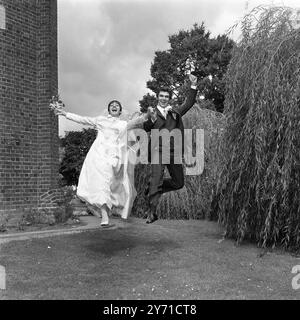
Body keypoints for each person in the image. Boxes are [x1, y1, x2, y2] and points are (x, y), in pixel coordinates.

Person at [50, 99, 150, 227]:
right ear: (108, 109)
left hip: (115, 158)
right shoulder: (100, 120)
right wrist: (65, 114)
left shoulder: (123, 124)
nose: (114, 106)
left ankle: (108, 210)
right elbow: (82, 119)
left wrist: (147, 114)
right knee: (103, 184)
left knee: (111, 186)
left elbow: (137, 121)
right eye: (112, 105)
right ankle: (104, 217)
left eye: (117, 106)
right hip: (100, 156)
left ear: (120, 111)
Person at [143, 73, 198, 223]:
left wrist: (193, 86)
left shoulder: (175, 112)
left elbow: (188, 103)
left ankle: (154, 187)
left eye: (166, 96)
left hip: (173, 152)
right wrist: (151, 119)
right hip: (157, 152)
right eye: (161, 96)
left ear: (169, 98)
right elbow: (146, 127)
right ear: (157, 97)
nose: (163, 98)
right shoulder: (152, 113)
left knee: (178, 182)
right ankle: (151, 212)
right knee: (156, 180)